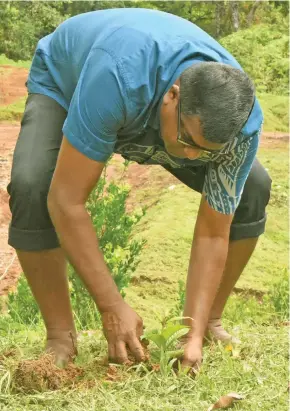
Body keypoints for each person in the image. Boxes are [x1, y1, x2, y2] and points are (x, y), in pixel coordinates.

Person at [7, 8, 271, 371]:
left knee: (253, 188)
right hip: (70, 79)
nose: (192, 157)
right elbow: (66, 200)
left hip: (149, 105)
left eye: (207, 152)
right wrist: (111, 306)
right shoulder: (117, 77)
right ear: (173, 97)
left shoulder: (242, 126)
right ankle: (60, 337)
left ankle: (206, 325)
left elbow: (213, 233)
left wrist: (191, 334)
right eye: (188, 141)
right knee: (33, 184)